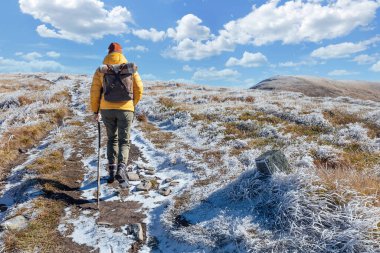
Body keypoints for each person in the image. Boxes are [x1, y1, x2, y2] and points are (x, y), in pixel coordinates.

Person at [90, 42, 143, 187]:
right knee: (124, 141)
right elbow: (139, 88)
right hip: (126, 109)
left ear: (109, 53)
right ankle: (121, 169)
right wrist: (132, 104)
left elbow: (95, 91)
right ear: (121, 52)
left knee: (112, 139)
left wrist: (96, 111)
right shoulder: (129, 68)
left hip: (107, 109)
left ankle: (112, 173)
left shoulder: (102, 69)